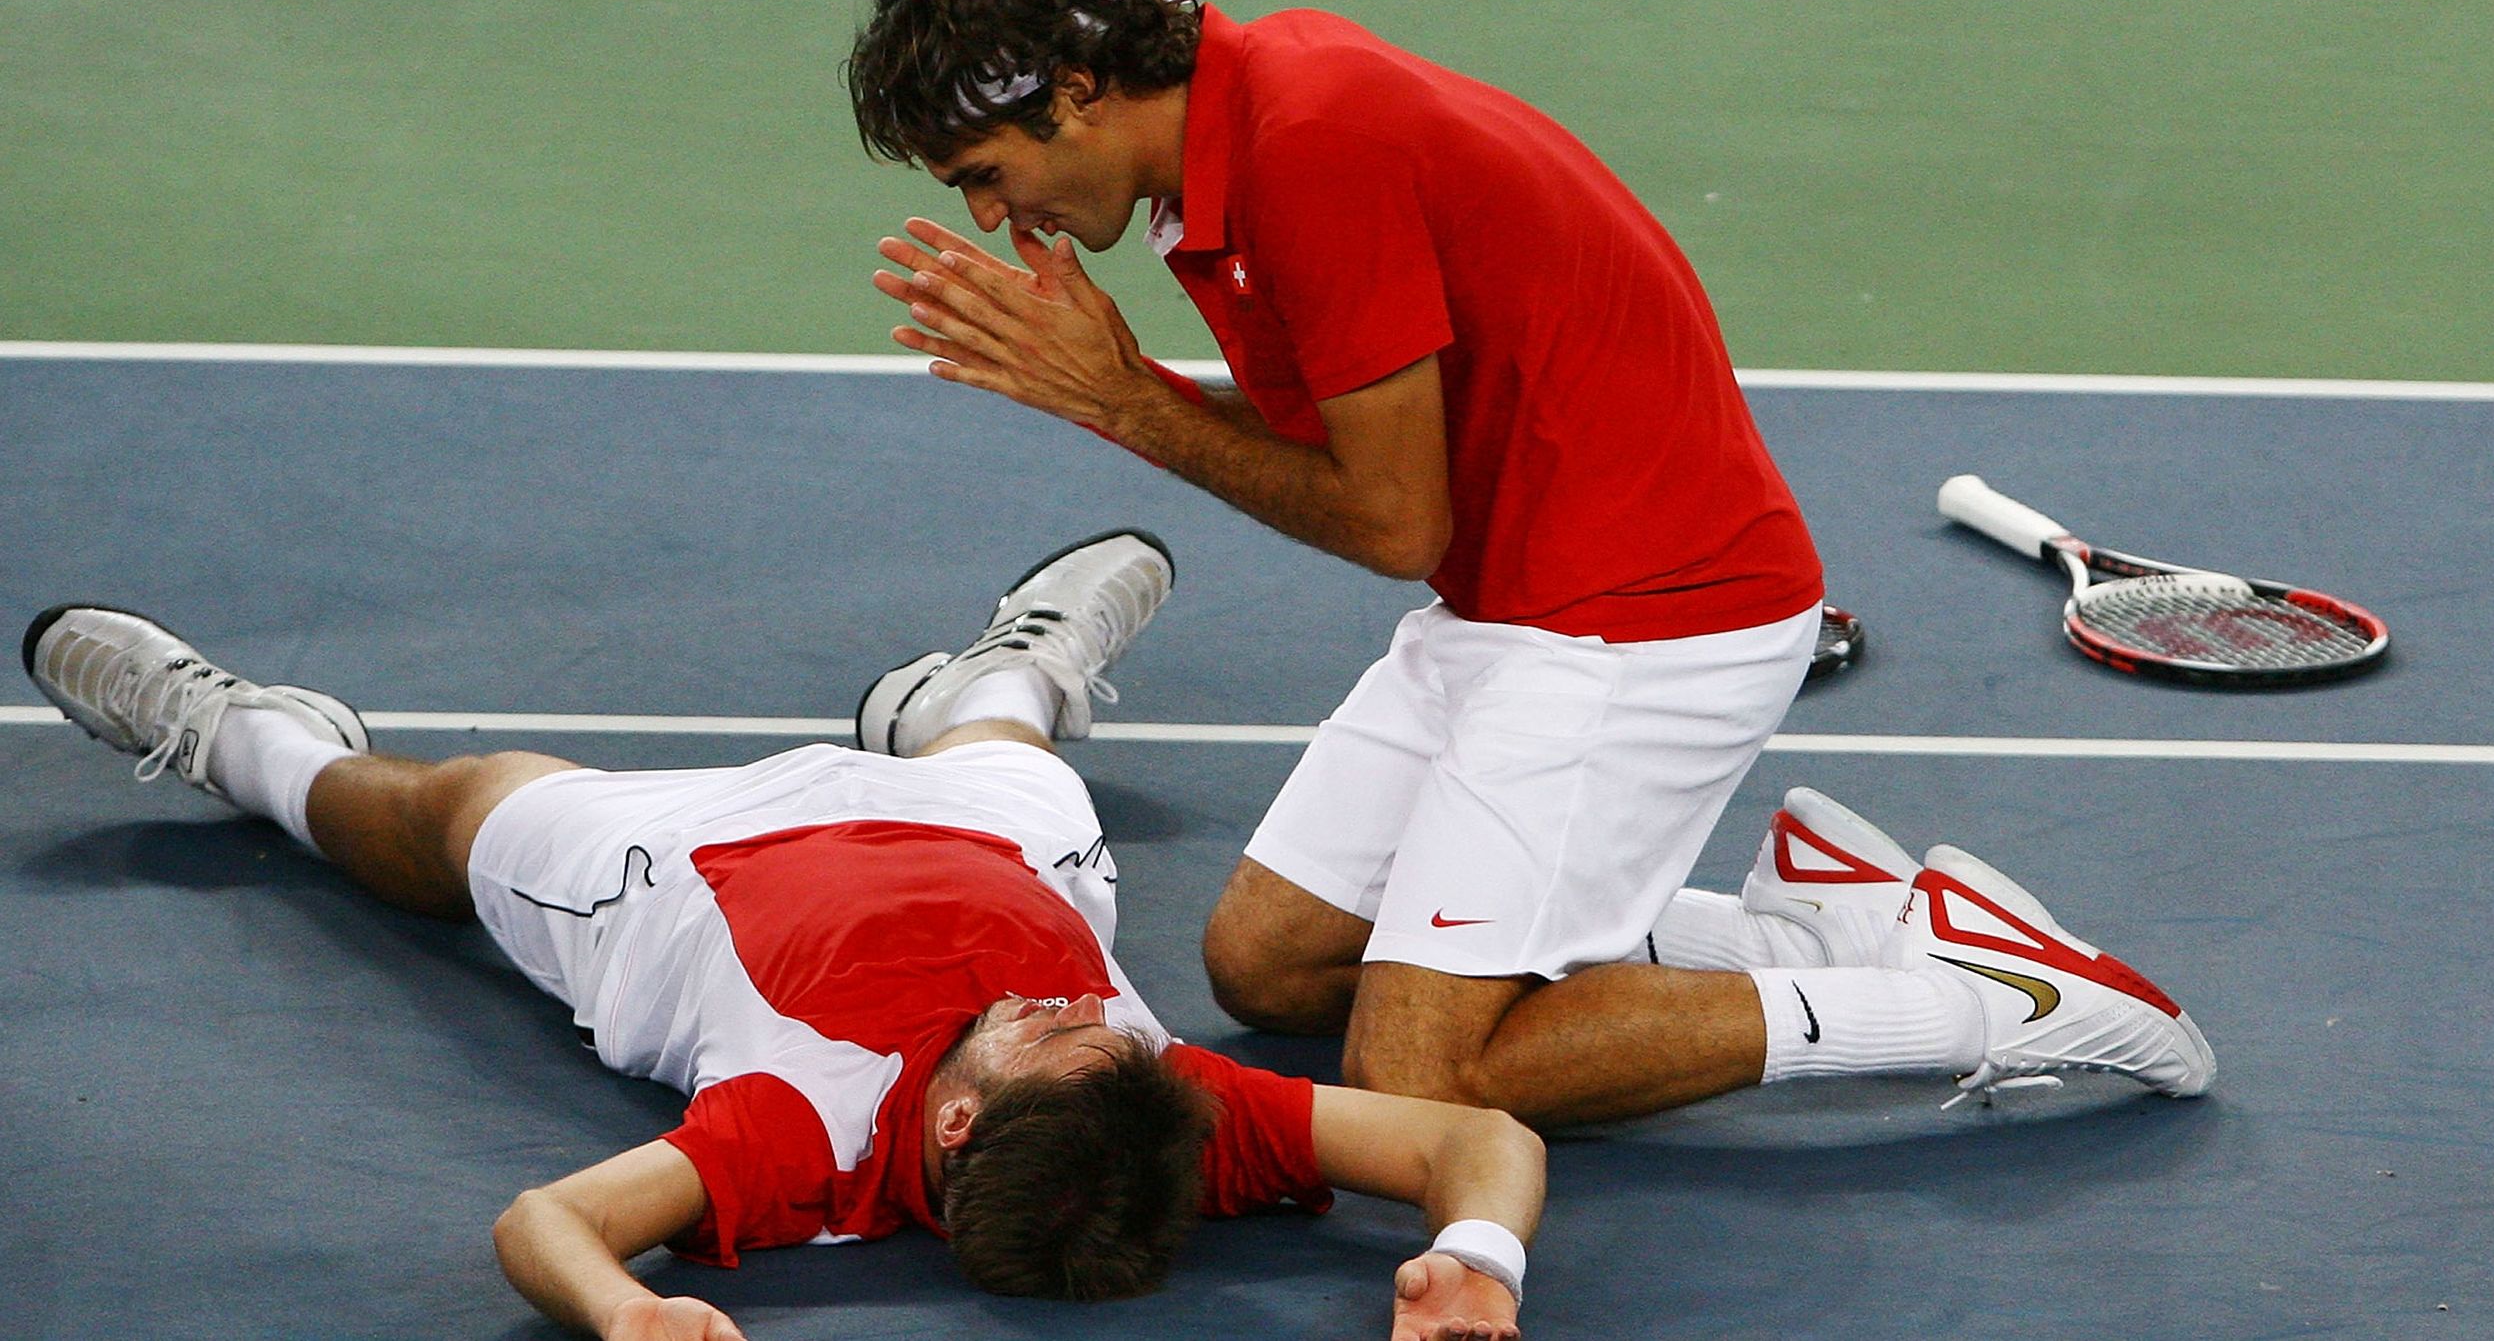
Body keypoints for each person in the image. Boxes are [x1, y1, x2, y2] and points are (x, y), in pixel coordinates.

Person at [843, 0, 2214, 1126]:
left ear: (1074, 94)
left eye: (981, 169)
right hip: (1515, 599)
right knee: (1270, 968)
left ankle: (1991, 1001)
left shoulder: (1310, 146)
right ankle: (1815, 918)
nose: (984, 212)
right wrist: (1126, 394)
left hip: (1643, 621)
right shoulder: (1256, 111)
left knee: (1422, 1079)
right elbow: (1374, 466)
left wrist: (1127, 404)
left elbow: (1387, 520)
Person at [21, 530, 1545, 1341]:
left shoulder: (795, 1131)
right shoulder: (1152, 1118)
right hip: (986, 846)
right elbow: (1472, 1140)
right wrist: (1475, 1261)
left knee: (456, 810)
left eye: (1058, 1032)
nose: (1082, 1009)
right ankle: (996, 679)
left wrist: (626, 1312)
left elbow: (542, 1223)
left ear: (951, 1120)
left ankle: (244, 741)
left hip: (675, 865)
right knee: (1029, 782)